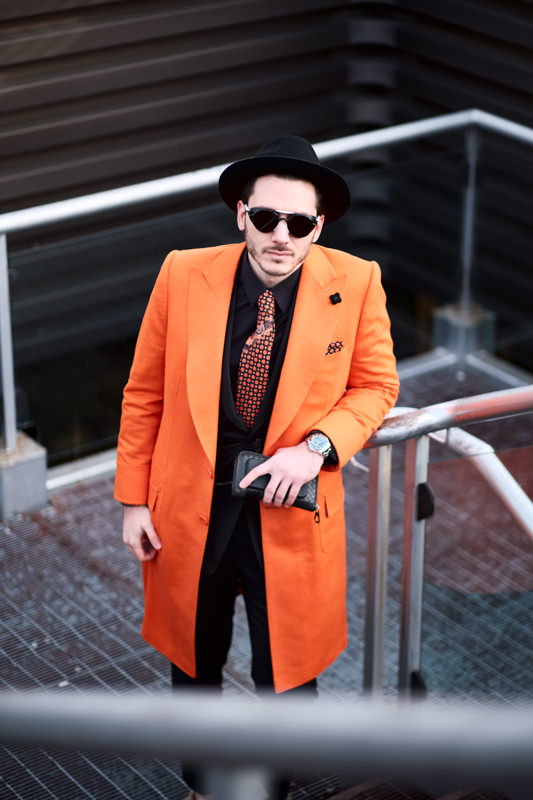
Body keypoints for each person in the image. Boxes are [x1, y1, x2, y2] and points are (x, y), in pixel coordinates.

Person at [114, 135, 399, 799]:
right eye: (266, 217)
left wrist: (316, 447)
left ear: (318, 226)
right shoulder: (183, 273)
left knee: (288, 677)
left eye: (298, 223)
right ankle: (200, 785)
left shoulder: (357, 281)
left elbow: (376, 387)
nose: (281, 235)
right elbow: (144, 391)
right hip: (193, 509)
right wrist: (132, 501)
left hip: (288, 513)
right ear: (241, 213)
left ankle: (273, 788)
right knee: (194, 664)